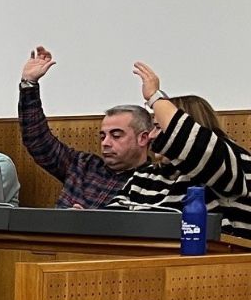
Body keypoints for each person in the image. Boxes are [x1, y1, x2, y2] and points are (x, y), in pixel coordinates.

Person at [111, 62, 251, 238]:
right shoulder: (146, 175)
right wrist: (85, 218)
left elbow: (194, 144)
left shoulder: (232, 162)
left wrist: (155, 97)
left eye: (158, 127)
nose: (151, 136)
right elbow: (112, 221)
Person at [18, 46, 159, 209]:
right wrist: (29, 84)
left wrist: (89, 222)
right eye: (103, 136)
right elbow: (37, 140)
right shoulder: (83, 166)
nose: (105, 143)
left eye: (116, 135)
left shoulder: (153, 183)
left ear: (143, 138)